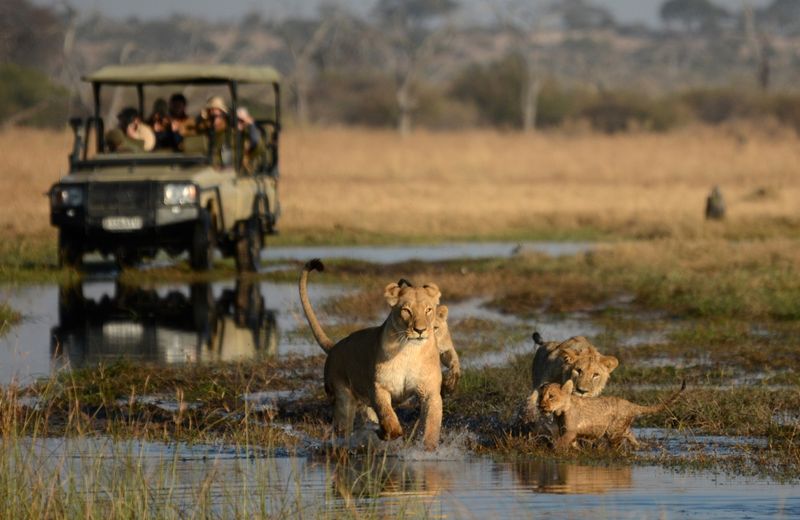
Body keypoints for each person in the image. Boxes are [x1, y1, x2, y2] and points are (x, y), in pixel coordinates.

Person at [197, 95, 232, 167]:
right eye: (211, 109)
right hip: (210, 156)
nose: (212, 111)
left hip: (224, 154)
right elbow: (198, 127)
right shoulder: (207, 123)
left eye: (215, 109)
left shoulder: (228, 122)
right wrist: (203, 118)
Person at [236, 106, 266, 174]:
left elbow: (256, 142)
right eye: (237, 121)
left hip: (250, 166)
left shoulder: (252, 130)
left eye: (241, 120)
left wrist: (251, 125)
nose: (239, 123)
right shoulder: (237, 132)